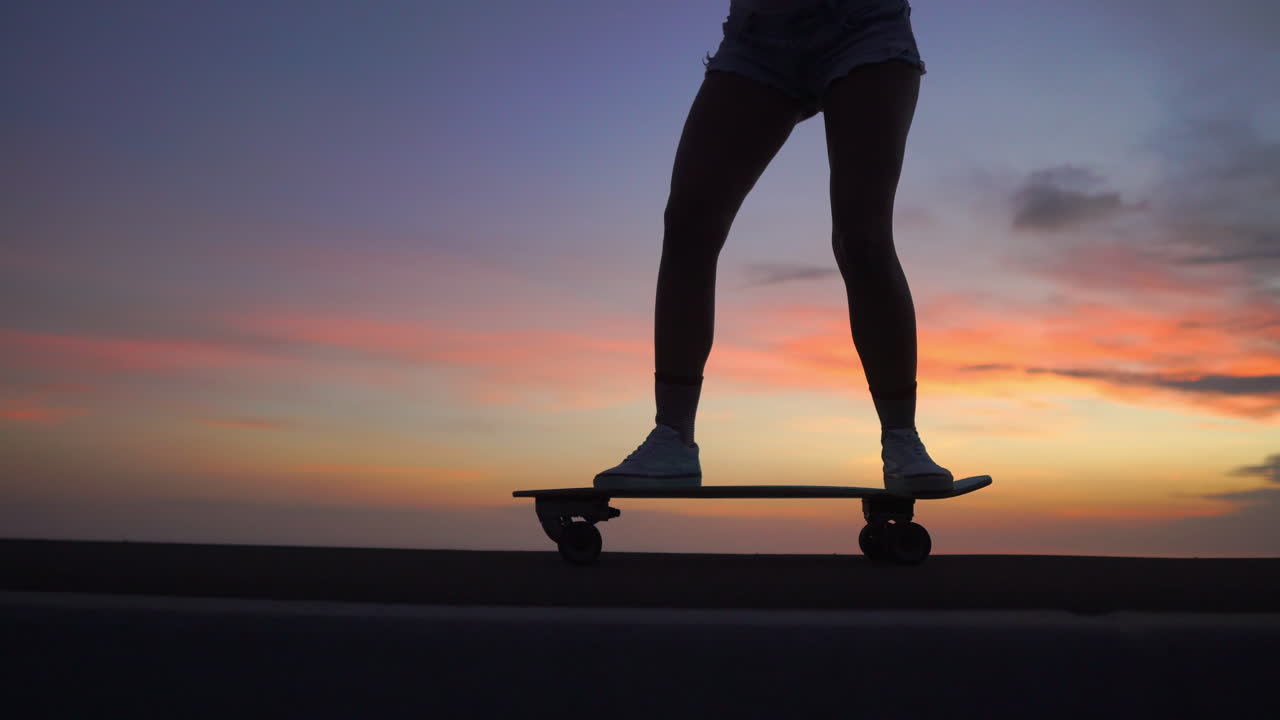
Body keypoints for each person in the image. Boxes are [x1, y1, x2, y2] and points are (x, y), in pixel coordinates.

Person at [594, 0, 953, 496]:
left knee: (861, 237)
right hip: (757, 37)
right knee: (689, 223)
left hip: (866, 25)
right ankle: (672, 438)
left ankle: (902, 440)